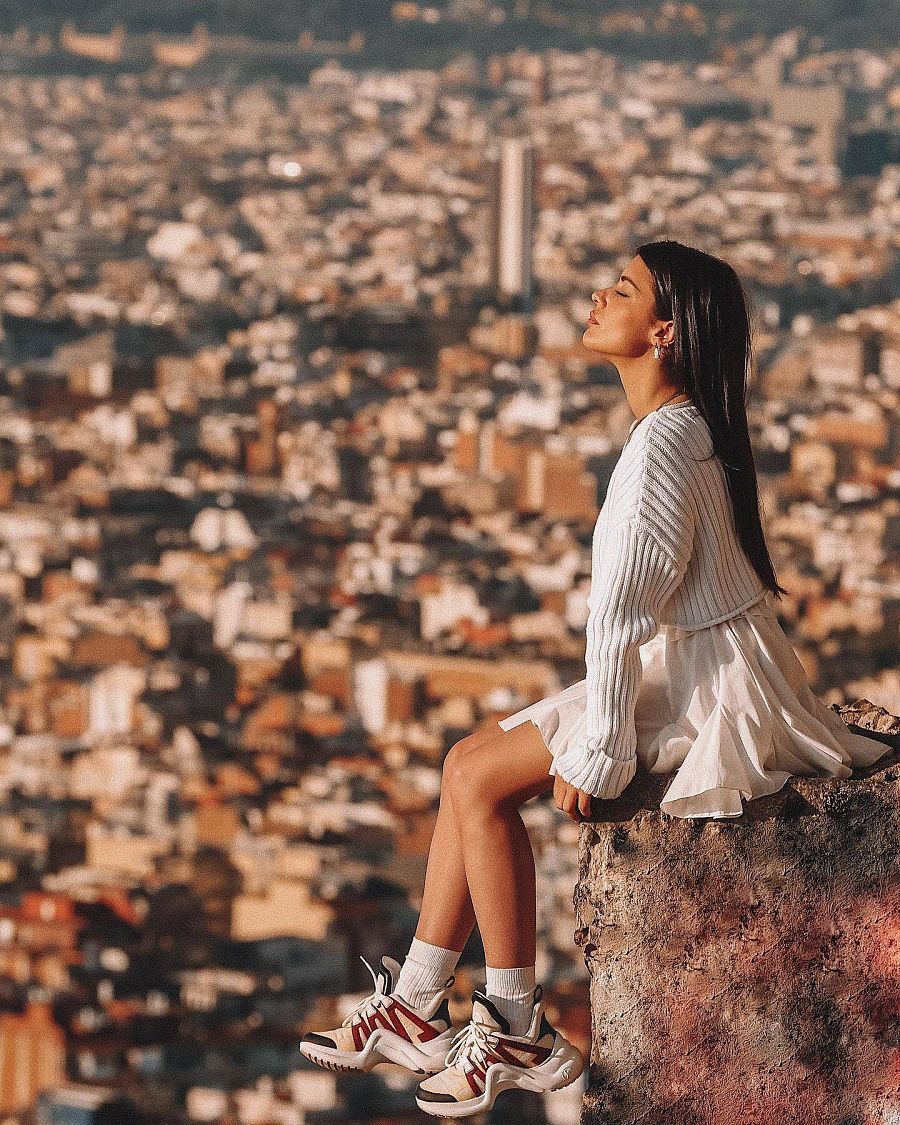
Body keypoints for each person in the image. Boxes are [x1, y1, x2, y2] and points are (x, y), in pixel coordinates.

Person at [299, 240, 890, 1115]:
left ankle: (510, 1023)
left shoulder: (662, 450)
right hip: (690, 661)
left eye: (622, 288)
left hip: (709, 686)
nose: (596, 295)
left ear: (663, 331)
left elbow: (619, 616)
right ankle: (421, 1003)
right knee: (467, 764)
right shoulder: (682, 427)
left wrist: (605, 748)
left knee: (483, 785)